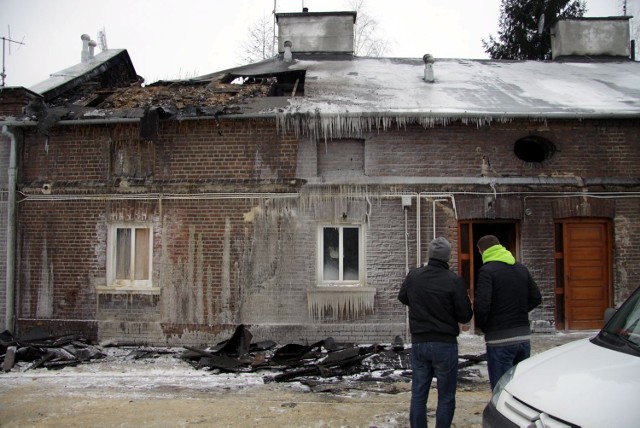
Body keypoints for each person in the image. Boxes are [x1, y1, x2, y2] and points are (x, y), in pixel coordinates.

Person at [398, 237, 473, 428]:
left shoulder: (414, 276)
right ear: (447, 257)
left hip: (420, 343)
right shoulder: (454, 281)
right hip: (445, 344)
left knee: (418, 394)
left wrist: (420, 305)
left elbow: (402, 297)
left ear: (429, 255)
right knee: (446, 396)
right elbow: (465, 316)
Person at [474, 235, 542, 391]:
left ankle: (500, 415)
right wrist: (519, 312)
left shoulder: (487, 271)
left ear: (482, 251)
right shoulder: (521, 268)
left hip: (500, 339)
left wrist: (484, 326)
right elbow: (536, 297)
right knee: (519, 388)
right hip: (523, 337)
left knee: (500, 390)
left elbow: (482, 305)